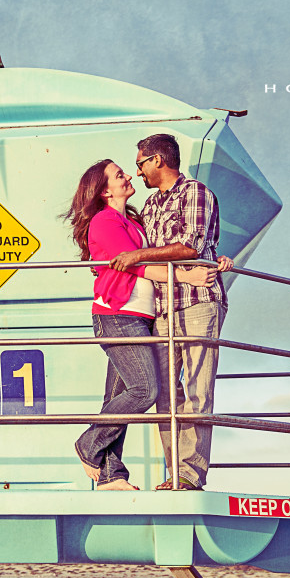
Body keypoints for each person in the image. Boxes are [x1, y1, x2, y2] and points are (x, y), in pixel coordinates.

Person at [64, 159, 217, 490]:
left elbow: (148, 256)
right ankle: (89, 444)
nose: (129, 176)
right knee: (145, 389)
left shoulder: (131, 221)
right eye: (120, 175)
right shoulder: (105, 221)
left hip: (141, 318)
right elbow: (137, 267)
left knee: (117, 395)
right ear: (105, 190)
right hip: (118, 315)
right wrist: (186, 276)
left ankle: (109, 475)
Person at [110, 134, 233, 491]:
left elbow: (189, 245)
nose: (138, 171)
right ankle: (173, 474)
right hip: (161, 308)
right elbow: (136, 242)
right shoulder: (150, 205)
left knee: (197, 391)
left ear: (158, 160)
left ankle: (189, 476)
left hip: (197, 301)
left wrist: (137, 257)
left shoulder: (196, 193)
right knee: (165, 397)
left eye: (140, 163)